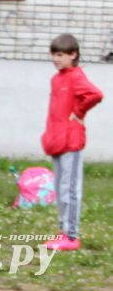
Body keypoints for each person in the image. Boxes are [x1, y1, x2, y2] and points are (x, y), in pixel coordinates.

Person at [41, 34, 103, 251]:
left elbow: (95, 94)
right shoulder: (56, 79)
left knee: (71, 189)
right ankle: (63, 231)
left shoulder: (76, 76)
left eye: (60, 55)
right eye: (53, 54)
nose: (55, 59)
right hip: (57, 141)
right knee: (59, 189)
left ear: (73, 55)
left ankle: (72, 235)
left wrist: (78, 112)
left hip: (72, 142)